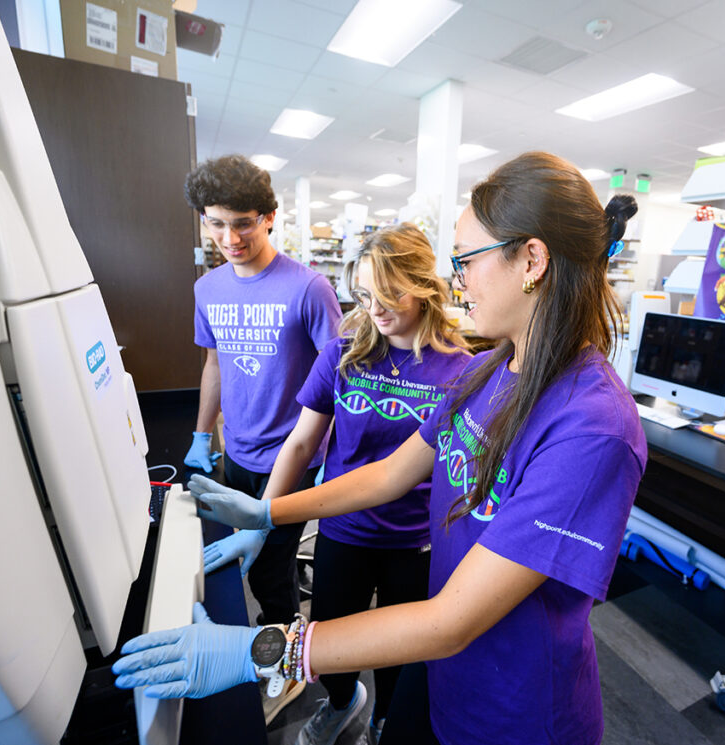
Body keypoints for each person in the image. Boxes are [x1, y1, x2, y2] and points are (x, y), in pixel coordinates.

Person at [115, 152, 647, 745]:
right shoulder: (490, 370)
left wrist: (264, 649)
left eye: (465, 260)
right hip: (444, 671)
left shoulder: (592, 428)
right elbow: (392, 474)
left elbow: (451, 621)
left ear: (531, 260)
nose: (458, 279)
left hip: (514, 709)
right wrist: (269, 512)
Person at [201, 222, 472, 744]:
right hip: (343, 530)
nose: (375, 309)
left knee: (401, 656)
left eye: (389, 293)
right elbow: (302, 443)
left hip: (412, 542)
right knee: (329, 638)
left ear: (423, 285)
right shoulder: (346, 353)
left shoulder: (459, 373)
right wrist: (264, 516)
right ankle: (347, 701)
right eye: (364, 295)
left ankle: (383, 719)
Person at [182, 154, 342, 712]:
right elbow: (214, 365)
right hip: (238, 452)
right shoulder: (208, 289)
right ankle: (275, 647)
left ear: (269, 217)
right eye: (215, 222)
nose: (229, 236)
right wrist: (203, 436)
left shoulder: (308, 288)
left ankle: (288, 669)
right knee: (239, 565)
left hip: (292, 461)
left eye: (243, 222)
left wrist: (332, 453)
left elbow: (337, 374)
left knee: (272, 575)